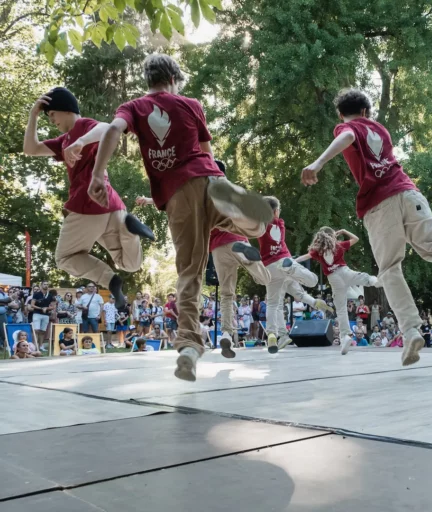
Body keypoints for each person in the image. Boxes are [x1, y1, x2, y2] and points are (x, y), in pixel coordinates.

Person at [89, 54, 274, 382]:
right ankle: (244, 208)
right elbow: (207, 152)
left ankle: (188, 346)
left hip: (177, 195)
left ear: (148, 80)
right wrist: (216, 183)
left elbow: (114, 131)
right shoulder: (191, 103)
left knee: (190, 272)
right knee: (256, 224)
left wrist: (98, 175)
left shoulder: (133, 108)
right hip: (211, 178)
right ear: (174, 78)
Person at [301, 89, 432, 366]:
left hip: (380, 205)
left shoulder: (346, 127)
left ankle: (410, 330)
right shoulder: (380, 129)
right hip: (409, 193)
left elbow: (347, 137)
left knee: (390, 268)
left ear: (340, 114)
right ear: (367, 112)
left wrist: (318, 162)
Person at [23, 88, 154, 309]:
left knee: (64, 257)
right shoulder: (63, 141)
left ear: (65, 109)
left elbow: (107, 128)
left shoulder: (82, 126)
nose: (51, 119)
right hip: (112, 208)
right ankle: (130, 231)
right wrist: (33, 115)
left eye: (52, 114)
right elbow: (31, 148)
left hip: (87, 204)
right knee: (130, 264)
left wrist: (81, 142)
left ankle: (109, 279)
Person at [256, 196, 332, 353]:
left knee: (273, 303)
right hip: (283, 260)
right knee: (309, 284)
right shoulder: (280, 223)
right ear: (276, 211)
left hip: (269, 267)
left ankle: (274, 334)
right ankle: (314, 301)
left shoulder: (259, 226)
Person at [296, 227, 379, 354]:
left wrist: (292, 261)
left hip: (333, 278)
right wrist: (345, 231)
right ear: (332, 236)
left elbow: (304, 257)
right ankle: (373, 281)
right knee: (358, 277)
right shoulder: (339, 246)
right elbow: (355, 239)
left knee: (340, 308)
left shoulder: (318, 251)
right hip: (344, 271)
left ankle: (345, 335)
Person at [30, 281, 56, 349]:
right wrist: (41, 308)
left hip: (46, 315)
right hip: (37, 313)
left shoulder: (50, 295)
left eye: (47, 284)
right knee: (36, 330)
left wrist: (47, 308)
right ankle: (35, 345)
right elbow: (32, 305)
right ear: (41, 285)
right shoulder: (37, 294)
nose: (46, 285)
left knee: (43, 331)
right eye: (44, 284)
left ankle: (41, 346)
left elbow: (53, 306)